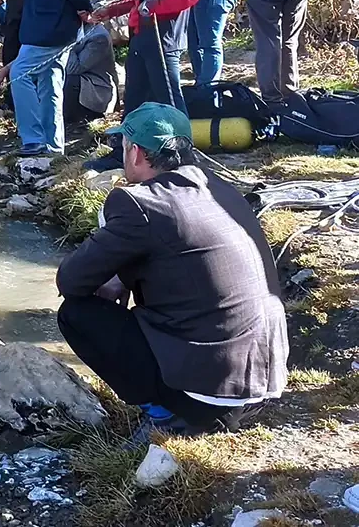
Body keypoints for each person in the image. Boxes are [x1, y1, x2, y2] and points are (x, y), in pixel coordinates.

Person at [56, 102, 288, 437]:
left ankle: (165, 416)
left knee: (76, 314)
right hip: (262, 382)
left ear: (135, 153)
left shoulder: (138, 203)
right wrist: (123, 276)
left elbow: (70, 280)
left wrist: (112, 279)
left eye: (122, 147)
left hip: (206, 397)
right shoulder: (219, 187)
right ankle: (193, 405)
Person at [0, 0, 92, 156]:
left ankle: (34, 139)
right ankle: (53, 145)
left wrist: (86, 9)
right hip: (58, 29)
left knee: (19, 74)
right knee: (50, 83)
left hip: (48, 30)